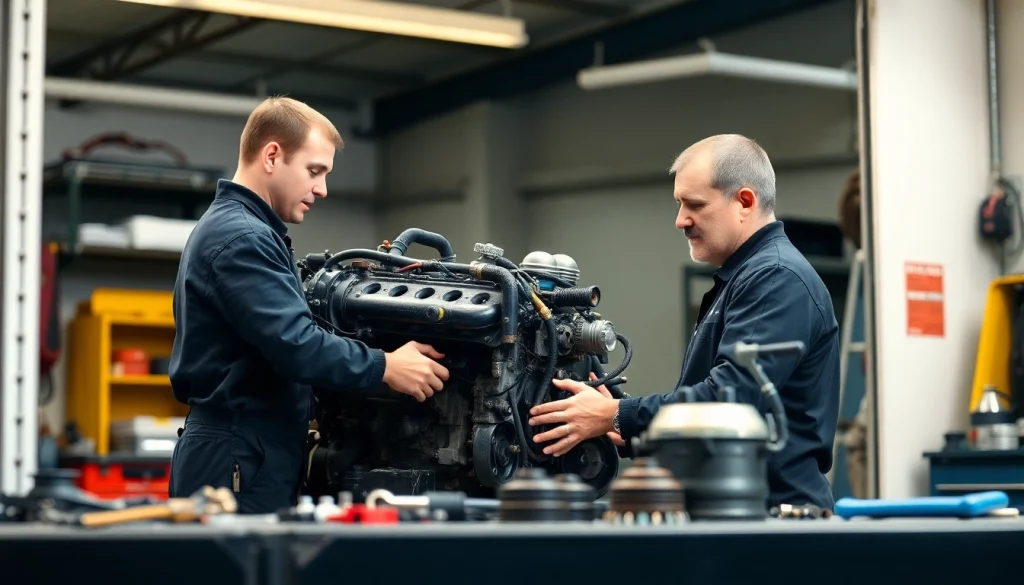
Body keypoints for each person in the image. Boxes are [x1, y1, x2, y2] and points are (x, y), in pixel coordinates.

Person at [167, 96, 450, 514]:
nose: (322, 188)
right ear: (272, 155)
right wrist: (386, 366)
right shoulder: (242, 238)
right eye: (314, 171)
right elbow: (295, 344)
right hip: (237, 459)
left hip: (248, 451)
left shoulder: (243, 229)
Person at [528, 134, 841, 510]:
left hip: (768, 522)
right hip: (733, 511)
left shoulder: (776, 278)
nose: (680, 220)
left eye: (694, 205)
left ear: (744, 202)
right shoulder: (743, 278)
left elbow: (731, 402)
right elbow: (709, 415)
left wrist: (616, 416)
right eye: (679, 204)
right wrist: (625, 430)